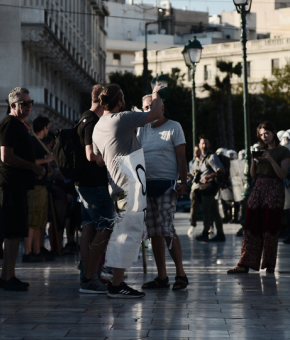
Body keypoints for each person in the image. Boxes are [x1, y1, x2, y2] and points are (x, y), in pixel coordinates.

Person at [88, 83, 164, 298]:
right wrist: (156, 91)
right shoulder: (122, 119)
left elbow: (98, 160)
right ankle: (117, 284)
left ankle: (115, 279)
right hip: (131, 184)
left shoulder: (99, 126)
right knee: (127, 234)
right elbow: (157, 113)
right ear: (120, 102)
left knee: (123, 232)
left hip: (116, 185)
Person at [137, 94, 190, 291]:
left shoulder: (174, 127)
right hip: (146, 185)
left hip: (167, 185)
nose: (148, 111)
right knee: (154, 233)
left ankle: (181, 274)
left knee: (167, 229)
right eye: (145, 108)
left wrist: (183, 182)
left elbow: (181, 157)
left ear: (161, 108)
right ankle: (162, 276)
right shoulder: (142, 129)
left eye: (151, 107)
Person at [0, 87, 45, 291]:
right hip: (9, 184)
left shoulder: (20, 124)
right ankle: (7, 277)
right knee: (12, 233)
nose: (29, 106)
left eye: (30, 102)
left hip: (17, 185)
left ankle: (8, 275)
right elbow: (6, 155)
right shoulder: (9, 124)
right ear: (12, 105)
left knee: (14, 233)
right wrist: (31, 166)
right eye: (24, 103)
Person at [228, 121, 290, 274]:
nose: (264, 137)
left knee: (271, 226)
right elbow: (252, 175)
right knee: (250, 223)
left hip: (275, 188)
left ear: (273, 132)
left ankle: (269, 264)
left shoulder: (283, 151)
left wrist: (270, 159)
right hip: (258, 187)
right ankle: (245, 263)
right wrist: (254, 161)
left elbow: (283, 174)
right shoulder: (260, 150)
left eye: (266, 133)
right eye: (261, 135)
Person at [75, 84, 113, 295]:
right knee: (105, 228)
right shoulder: (92, 121)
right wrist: (111, 157)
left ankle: (89, 277)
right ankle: (89, 278)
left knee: (89, 229)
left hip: (85, 184)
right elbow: (91, 155)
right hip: (94, 185)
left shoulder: (83, 118)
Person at [25, 116, 55, 262]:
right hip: (34, 186)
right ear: (44, 127)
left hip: (42, 185)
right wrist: (46, 161)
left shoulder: (40, 143)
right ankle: (28, 251)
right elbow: (30, 161)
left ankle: (37, 250)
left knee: (39, 221)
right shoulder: (32, 142)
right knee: (32, 219)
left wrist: (46, 167)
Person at [193, 136, 226, 242]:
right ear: (199, 145)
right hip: (205, 188)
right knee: (215, 211)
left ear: (209, 144)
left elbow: (221, 170)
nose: (204, 146)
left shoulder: (212, 157)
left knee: (205, 209)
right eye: (202, 143)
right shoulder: (202, 157)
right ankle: (220, 234)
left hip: (210, 187)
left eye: (206, 143)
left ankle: (205, 232)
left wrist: (208, 177)